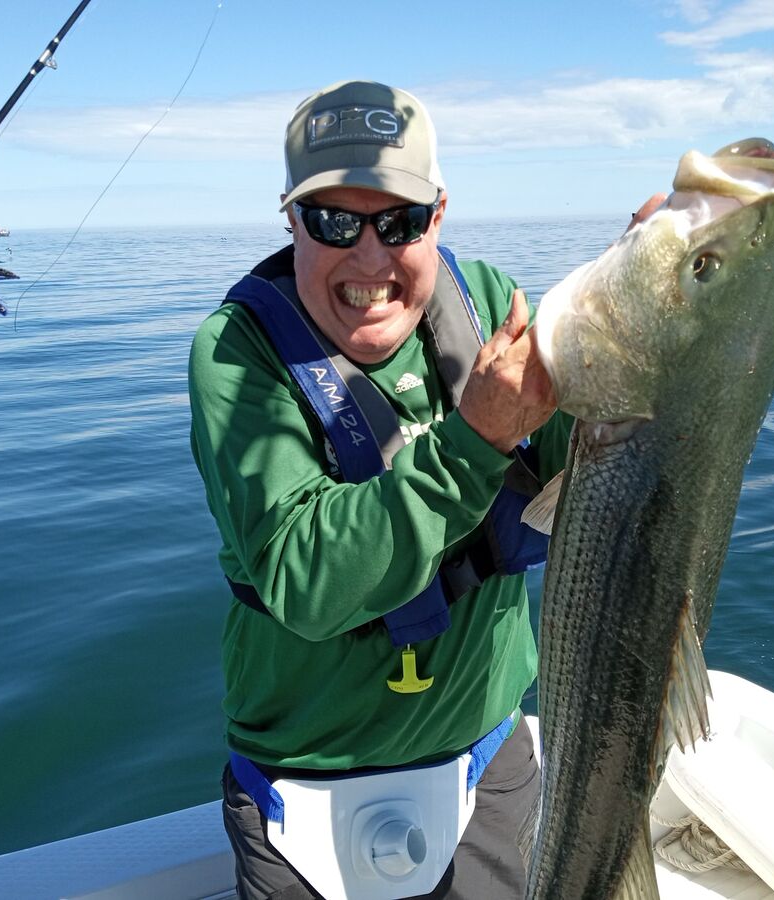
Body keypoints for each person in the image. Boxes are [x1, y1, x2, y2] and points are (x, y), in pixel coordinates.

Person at [188, 79, 660, 900]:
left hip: (486, 760)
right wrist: (473, 438)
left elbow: (585, 462)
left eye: (399, 222)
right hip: (303, 785)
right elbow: (308, 581)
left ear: (438, 216)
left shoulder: (485, 302)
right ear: (290, 220)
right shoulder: (237, 356)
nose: (369, 257)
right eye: (334, 221)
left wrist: (641, 320)